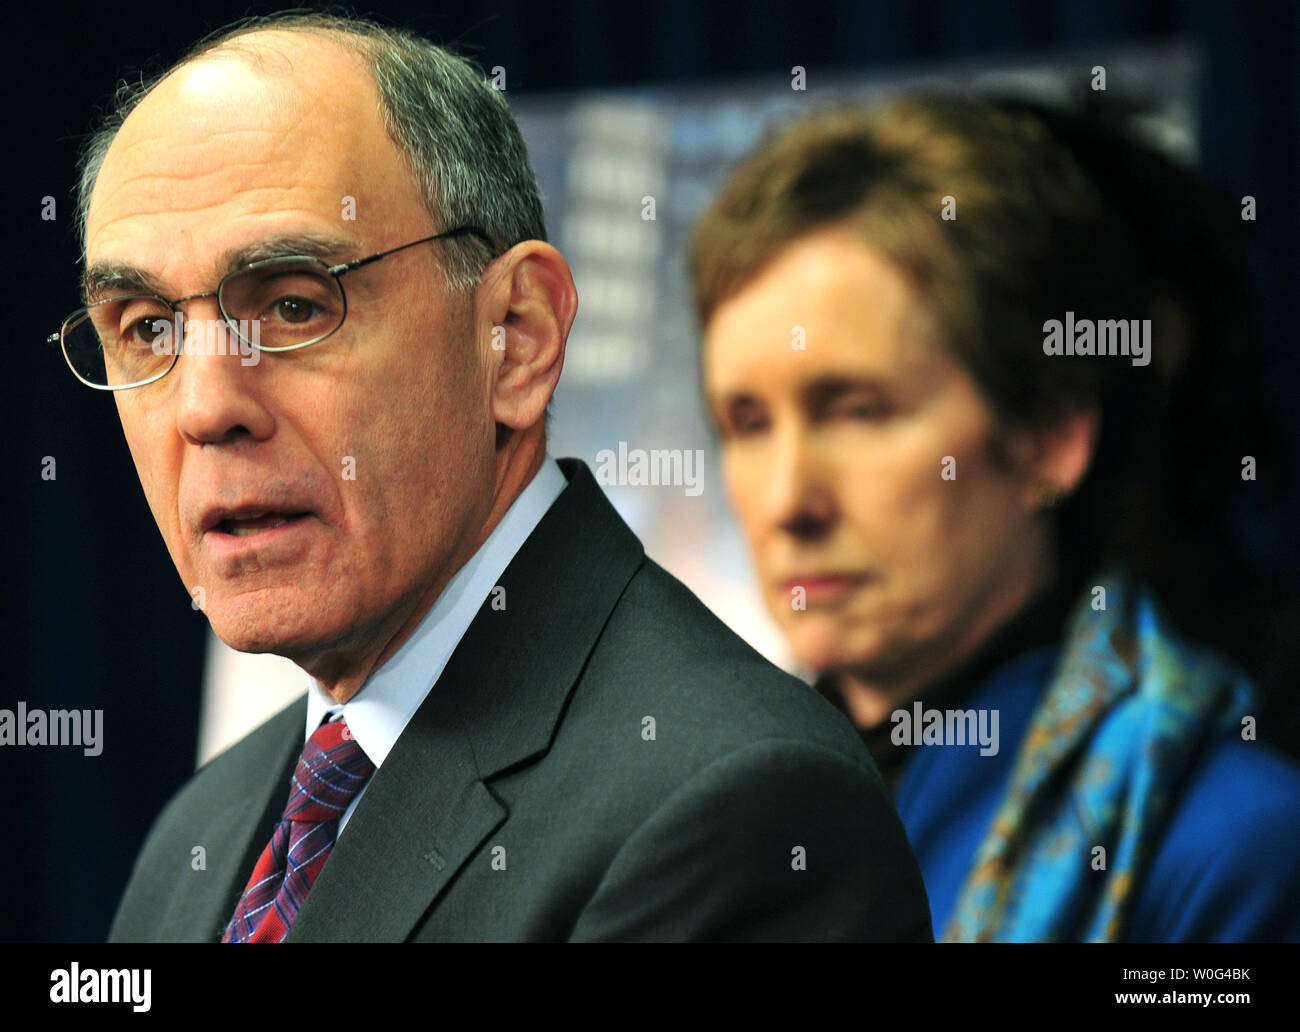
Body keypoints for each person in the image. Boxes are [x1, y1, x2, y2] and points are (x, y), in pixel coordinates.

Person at [62, 13, 932, 943]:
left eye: (293, 306)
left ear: (515, 337)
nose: (204, 408)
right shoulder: (199, 833)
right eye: (147, 327)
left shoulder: (736, 805)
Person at [690, 94, 1300, 942]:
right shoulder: (698, 818)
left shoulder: (1233, 849)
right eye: (748, 423)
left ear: (1049, 437)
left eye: (860, 410)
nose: (789, 501)